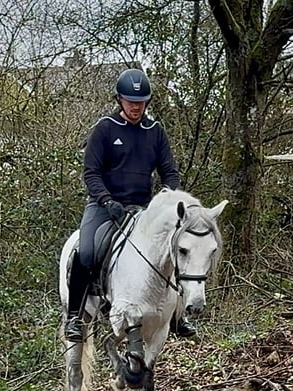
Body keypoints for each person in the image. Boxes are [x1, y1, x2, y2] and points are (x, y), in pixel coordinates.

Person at [64, 67, 197, 342]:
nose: (136, 107)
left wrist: (167, 198)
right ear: (120, 100)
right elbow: (91, 173)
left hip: (143, 208)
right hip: (104, 206)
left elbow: (169, 172)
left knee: (173, 248)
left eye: (141, 102)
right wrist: (106, 199)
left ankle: (177, 315)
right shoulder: (104, 128)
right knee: (86, 251)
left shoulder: (155, 132)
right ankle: (75, 316)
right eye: (130, 101)